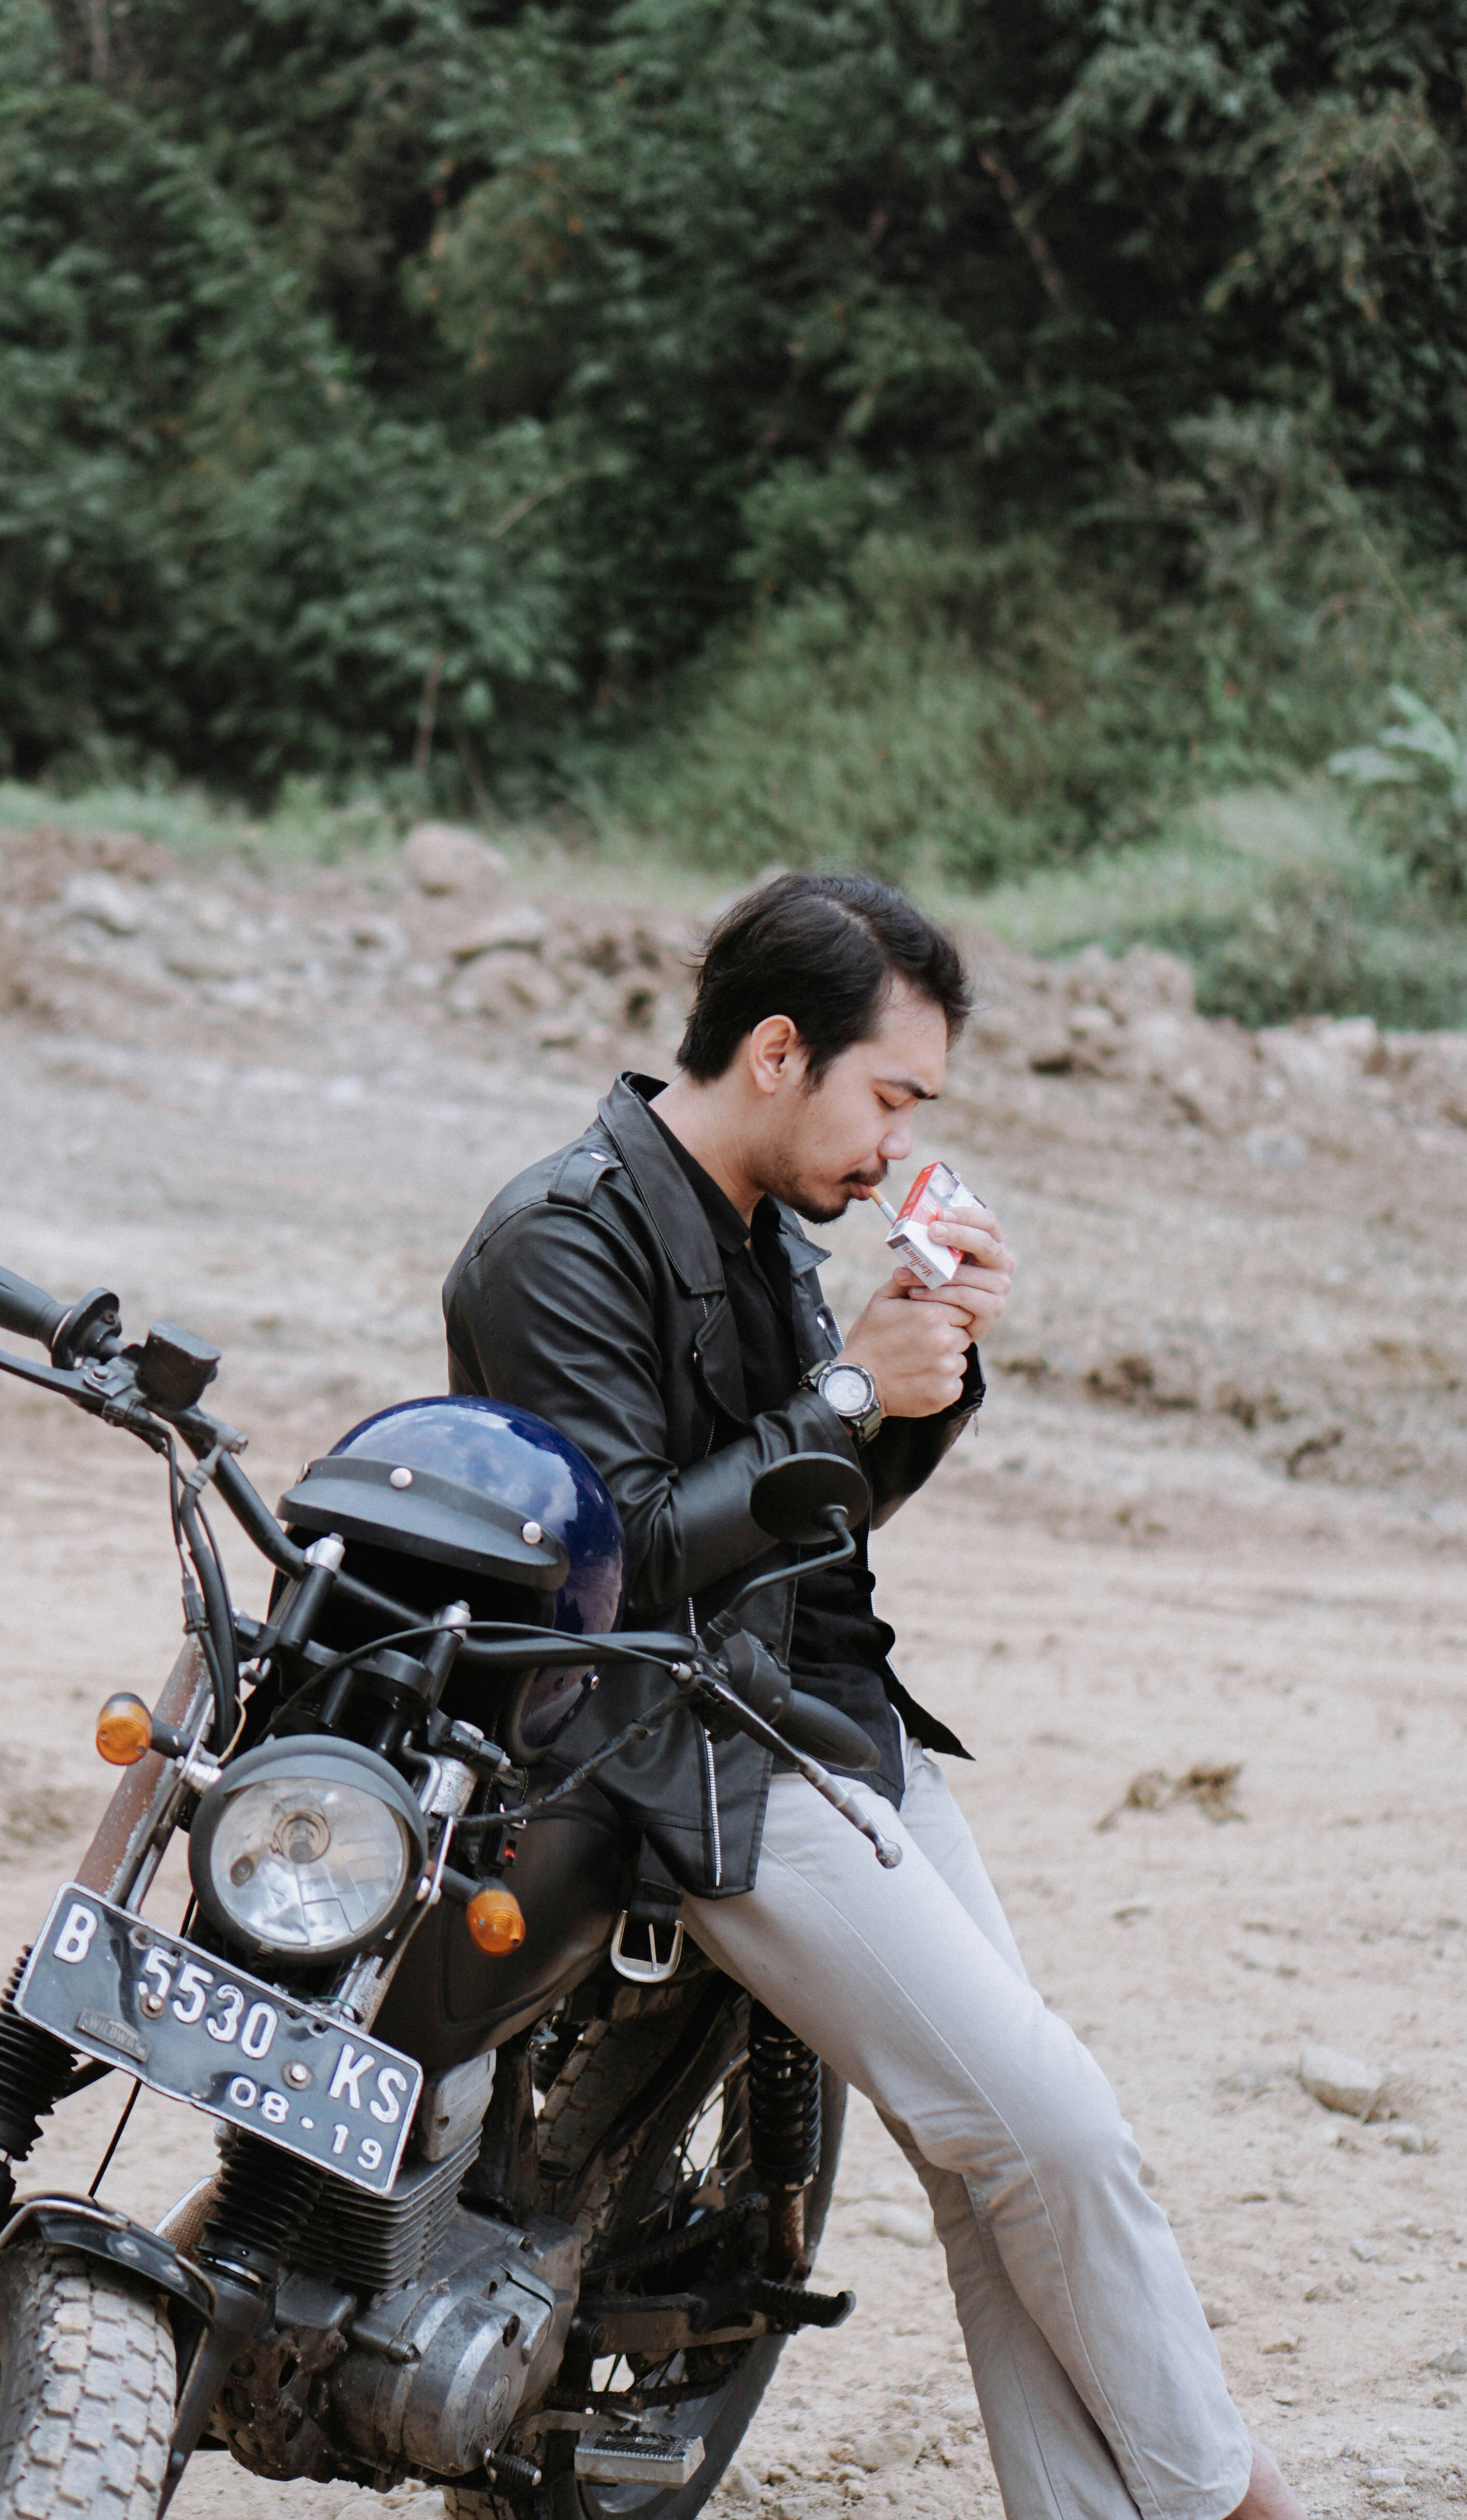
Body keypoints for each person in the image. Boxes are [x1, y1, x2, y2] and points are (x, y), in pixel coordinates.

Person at [443, 870, 1303, 2520]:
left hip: (830, 1722)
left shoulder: (768, 1223)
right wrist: (844, 1386)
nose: (899, 1142)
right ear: (779, 1051)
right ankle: (1234, 2502)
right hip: (681, 1759)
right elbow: (609, 1561)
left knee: (998, 2172)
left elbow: (805, 1529)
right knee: (1053, 2135)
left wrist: (922, 1372)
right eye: (890, 1094)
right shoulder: (559, 1235)